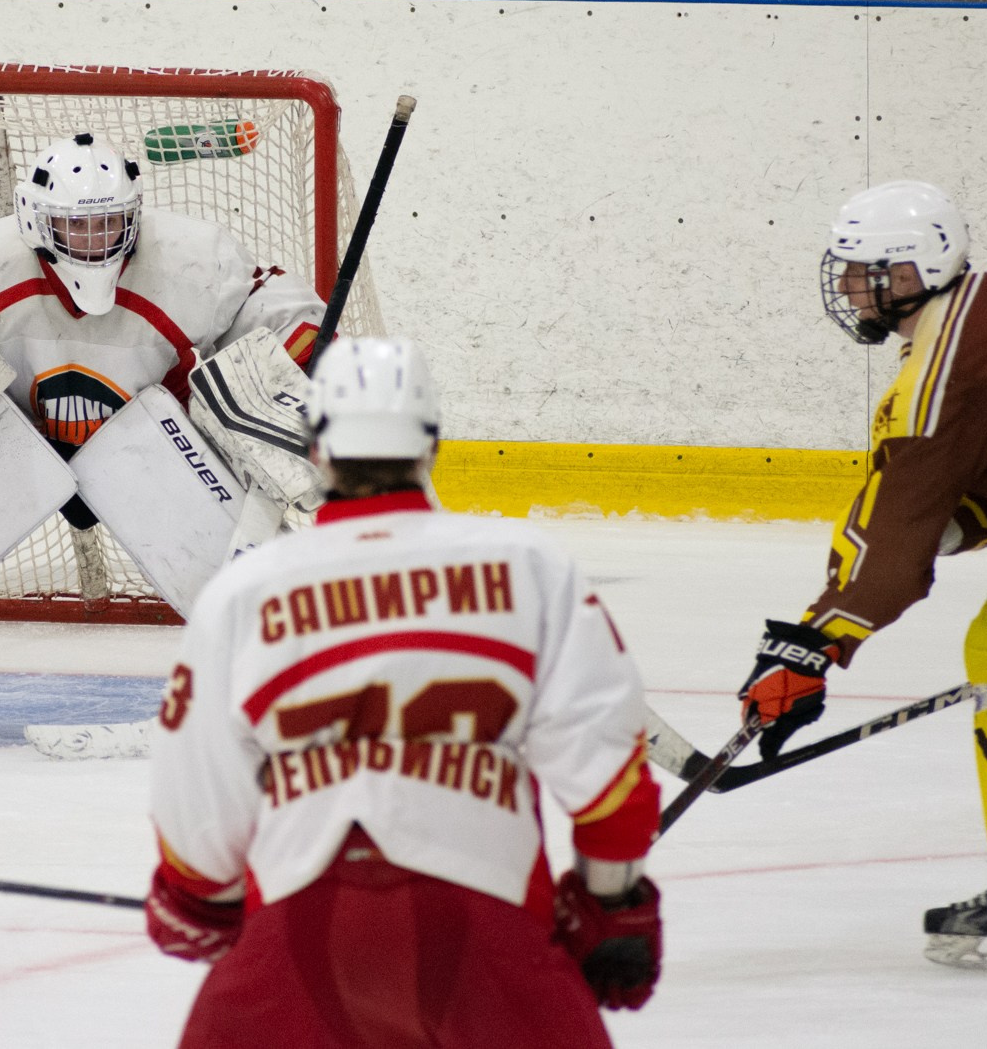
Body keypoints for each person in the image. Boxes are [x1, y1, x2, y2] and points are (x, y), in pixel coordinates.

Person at [147, 336, 663, 1047]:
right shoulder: (527, 564)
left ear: (317, 447)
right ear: (431, 443)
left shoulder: (243, 590)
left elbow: (197, 792)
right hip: (486, 919)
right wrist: (613, 900)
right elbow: (606, 768)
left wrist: (199, 900)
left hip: (300, 928)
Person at [737, 179, 987, 971]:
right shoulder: (977, 318)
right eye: (846, 270)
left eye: (866, 271)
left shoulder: (950, 360)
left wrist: (815, 643)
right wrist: (923, 540)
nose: (849, 286)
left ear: (917, 269)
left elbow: (901, 513)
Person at [0, 129, 324, 503]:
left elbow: (275, 307)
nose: (94, 241)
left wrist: (306, 364)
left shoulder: (193, 259)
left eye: (109, 222)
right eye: (76, 225)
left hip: (167, 454)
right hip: (13, 452)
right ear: (37, 221)